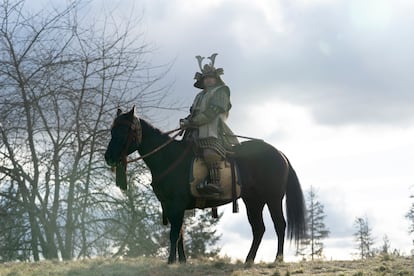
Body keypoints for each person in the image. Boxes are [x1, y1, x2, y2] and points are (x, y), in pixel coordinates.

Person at [180, 53, 238, 195]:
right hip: (195, 130)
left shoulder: (222, 91)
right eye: (206, 78)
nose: (208, 80)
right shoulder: (199, 96)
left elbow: (213, 111)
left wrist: (193, 122)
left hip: (214, 130)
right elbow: (193, 112)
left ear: (216, 79)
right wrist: (186, 121)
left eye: (211, 77)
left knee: (210, 151)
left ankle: (215, 183)